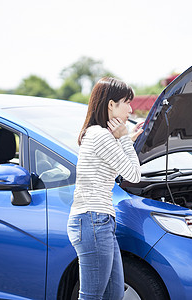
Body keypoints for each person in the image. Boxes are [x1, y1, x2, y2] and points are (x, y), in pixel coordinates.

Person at [67, 77, 143, 300]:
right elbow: (133, 175)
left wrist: (125, 137)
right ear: (111, 105)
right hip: (92, 221)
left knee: (113, 294)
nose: (131, 109)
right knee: (92, 296)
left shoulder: (99, 135)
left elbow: (114, 159)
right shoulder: (100, 135)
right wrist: (125, 140)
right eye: (126, 102)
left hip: (97, 221)